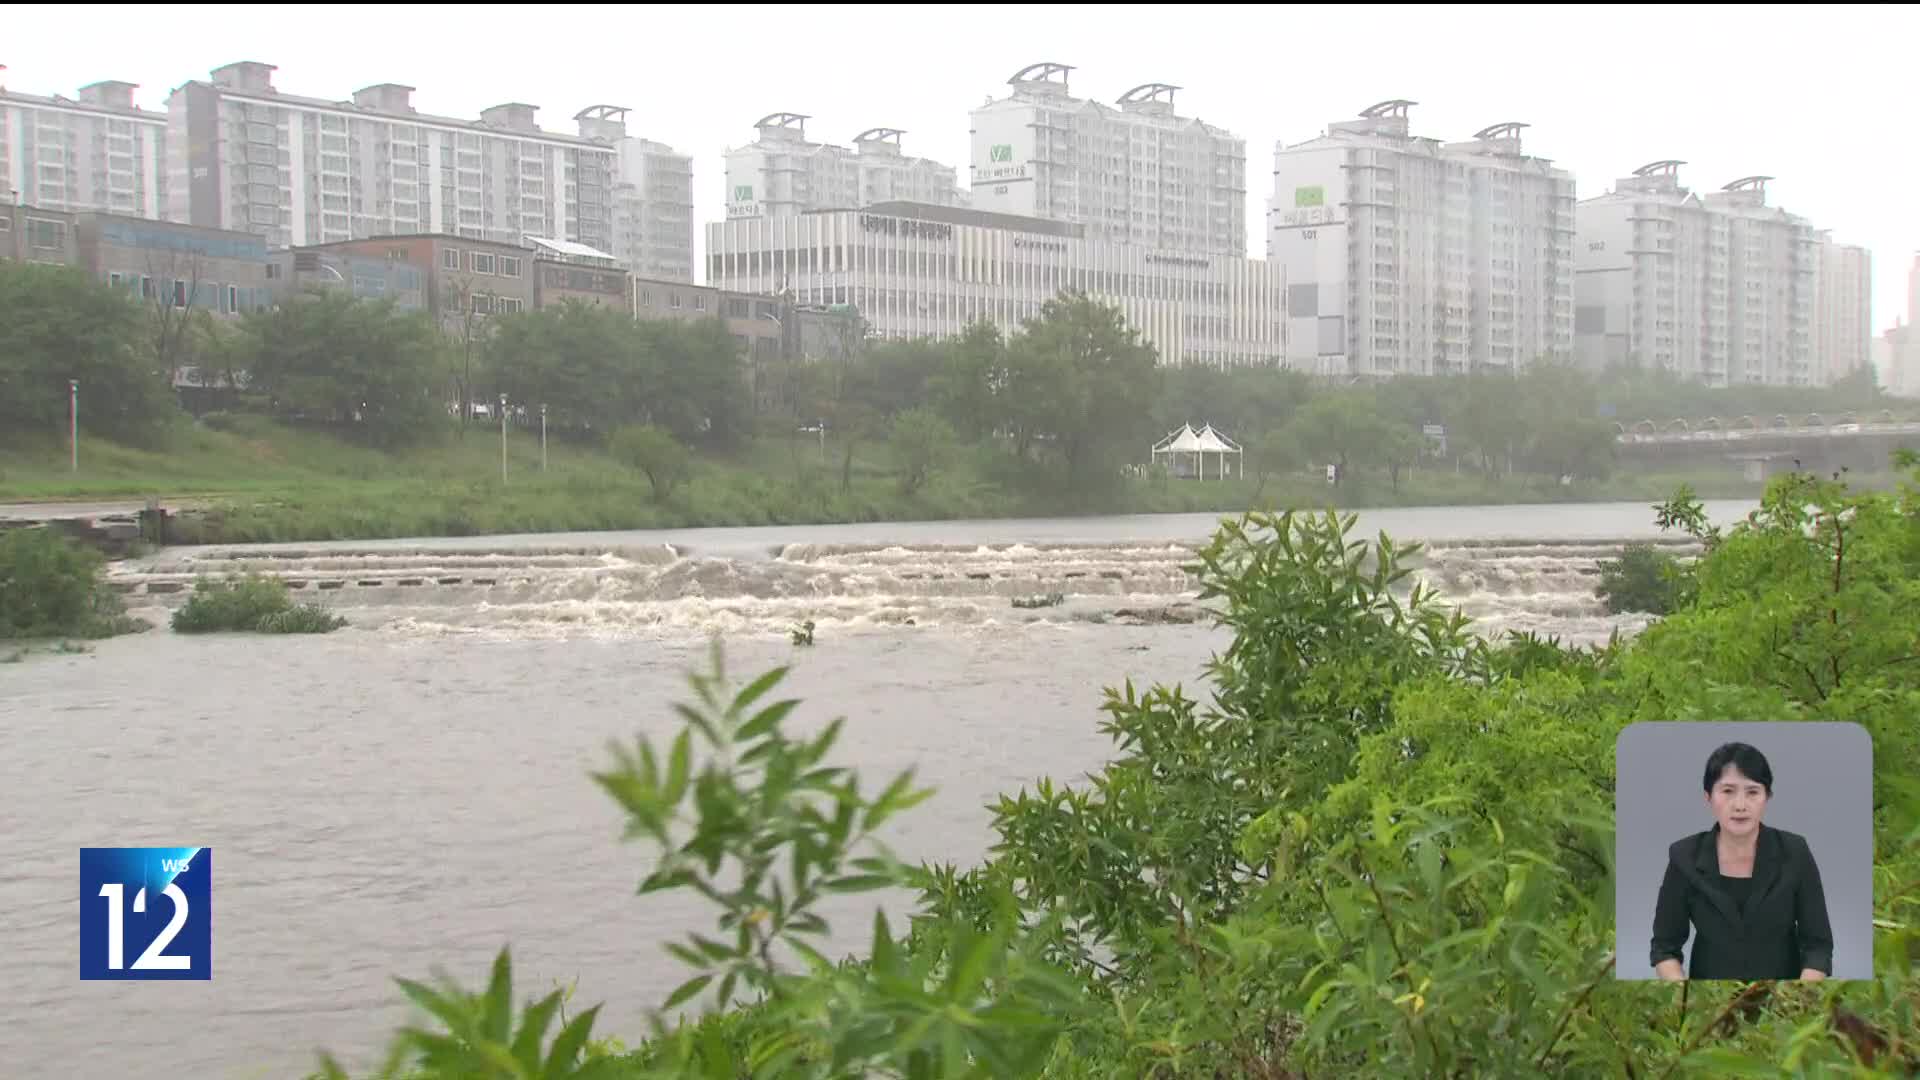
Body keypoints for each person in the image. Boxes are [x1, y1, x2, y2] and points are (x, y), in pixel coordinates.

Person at [1649, 742, 1834, 981]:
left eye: (1752, 792)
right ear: (1708, 796)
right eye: (1727, 791)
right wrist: (1685, 998)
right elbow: (1664, 947)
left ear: (1767, 797)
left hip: (1783, 997)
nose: (1740, 805)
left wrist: (1799, 998)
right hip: (1707, 997)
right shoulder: (1684, 856)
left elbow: (1818, 946)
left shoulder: (1794, 852)